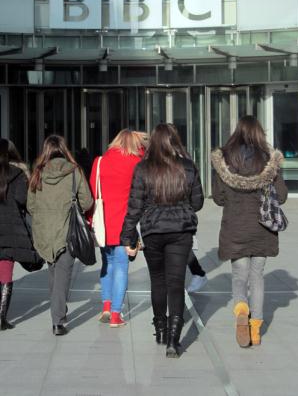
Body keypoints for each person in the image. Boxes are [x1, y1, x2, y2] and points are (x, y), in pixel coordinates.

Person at [120, 123, 204, 358]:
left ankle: (160, 331)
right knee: (176, 284)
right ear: (175, 141)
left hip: (152, 231)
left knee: (157, 281)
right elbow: (197, 202)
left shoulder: (143, 168)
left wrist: (127, 236)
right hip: (181, 231)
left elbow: (134, 207)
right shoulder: (187, 167)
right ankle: (173, 341)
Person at [211, 115, 288, 348]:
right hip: (262, 230)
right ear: (259, 133)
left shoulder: (225, 161)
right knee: (257, 277)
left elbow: (219, 198)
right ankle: (255, 330)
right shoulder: (268, 160)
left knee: (239, 275)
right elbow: (282, 196)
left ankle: (241, 310)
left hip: (235, 228)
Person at [27, 135, 93, 336]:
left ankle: (58, 310)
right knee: (62, 275)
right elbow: (88, 201)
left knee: (54, 274)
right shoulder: (74, 172)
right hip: (67, 230)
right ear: (64, 150)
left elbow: (30, 205)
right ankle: (58, 320)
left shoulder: (37, 173)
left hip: (44, 231)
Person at [89, 129, 148, 328]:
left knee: (108, 264)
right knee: (122, 267)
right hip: (126, 225)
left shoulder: (100, 162)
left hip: (104, 224)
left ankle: (106, 306)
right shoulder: (137, 164)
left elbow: (92, 192)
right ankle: (116, 314)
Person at [0, 139, 33, 330]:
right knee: (5, 273)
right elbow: (23, 199)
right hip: (10, 230)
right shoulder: (18, 173)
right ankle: (2, 318)